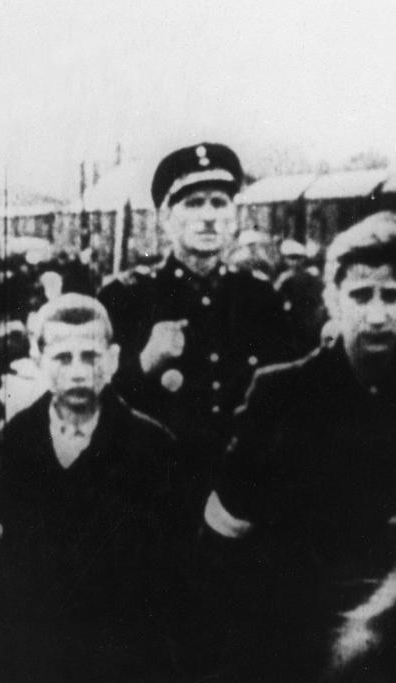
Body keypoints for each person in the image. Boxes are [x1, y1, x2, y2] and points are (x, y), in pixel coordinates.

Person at [201, 211, 396, 683]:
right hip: (296, 649)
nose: (377, 314)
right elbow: (225, 532)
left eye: (393, 295)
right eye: (360, 296)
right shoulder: (281, 393)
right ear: (332, 302)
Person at [0, 294, 182, 683]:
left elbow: (172, 575)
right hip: (38, 664)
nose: (77, 373)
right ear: (37, 360)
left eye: (90, 357)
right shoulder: (12, 443)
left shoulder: (153, 446)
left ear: (113, 359)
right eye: (63, 357)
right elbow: (7, 563)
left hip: (125, 664)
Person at [98, 143, 293, 521]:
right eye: (192, 203)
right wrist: (143, 364)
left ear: (234, 216)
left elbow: (286, 402)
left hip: (240, 497)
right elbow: (90, 403)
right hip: (153, 497)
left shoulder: (260, 297)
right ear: (165, 217)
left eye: (219, 203)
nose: (208, 217)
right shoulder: (126, 297)